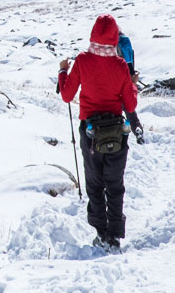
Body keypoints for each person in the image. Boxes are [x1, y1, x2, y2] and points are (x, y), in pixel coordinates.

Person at [57, 14, 138, 251]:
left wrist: (63, 72)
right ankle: (114, 234)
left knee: (94, 183)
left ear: (93, 33)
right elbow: (130, 106)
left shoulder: (82, 60)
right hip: (116, 133)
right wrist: (132, 84)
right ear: (114, 37)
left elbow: (66, 96)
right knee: (114, 184)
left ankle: (101, 232)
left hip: (90, 133)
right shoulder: (121, 65)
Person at [117, 30, 145, 144]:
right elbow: (130, 60)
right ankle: (137, 128)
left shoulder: (110, 43)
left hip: (114, 77)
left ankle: (118, 134)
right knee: (129, 108)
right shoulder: (125, 41)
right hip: (128, 76)